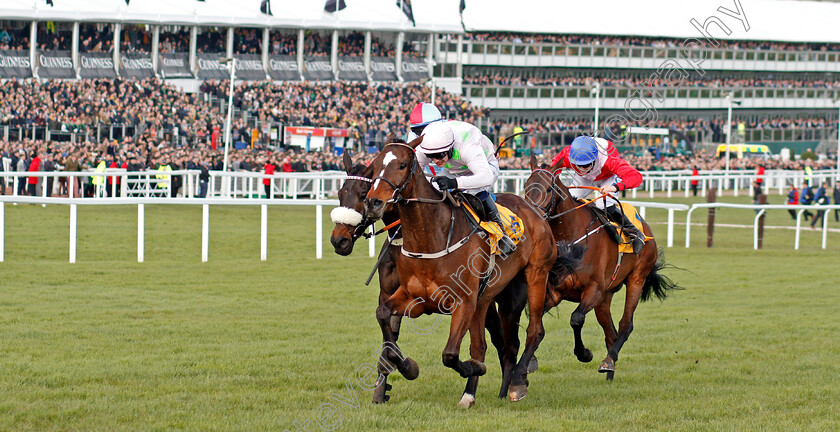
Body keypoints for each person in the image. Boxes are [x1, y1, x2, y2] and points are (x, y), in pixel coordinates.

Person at [417, 120, 517, 255]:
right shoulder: (430, 146)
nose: (434, 161)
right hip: (454, 169)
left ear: (450, 147)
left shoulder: (467, 147)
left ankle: (502, 235)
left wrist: (455, 184)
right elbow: (415, 169)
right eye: (430, 157)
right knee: (432, 189)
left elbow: (485, 178)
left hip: (485, 166)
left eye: (439, 156)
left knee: (474, 192)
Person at [550, 135, 645, 254]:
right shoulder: (566, 155)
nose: (582, 168)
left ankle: (634, 232)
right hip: (585, 179)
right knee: (567, 201)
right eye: (579, 165)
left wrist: (614, 187)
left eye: (586, 165)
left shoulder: (609, 160)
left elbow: (636, 177)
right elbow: (552, 169)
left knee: (603, 206)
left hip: (608, 177)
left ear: (594, 158)